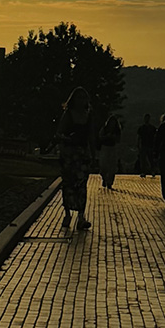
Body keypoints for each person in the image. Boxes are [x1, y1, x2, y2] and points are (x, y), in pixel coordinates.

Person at [58, 87, 96, 231]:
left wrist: (93, 154)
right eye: (78, 97)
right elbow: (60, 132)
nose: (81, 100)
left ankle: (81, 216)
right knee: (68, 184)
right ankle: (67, 213)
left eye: (83, 97)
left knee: (81, 185)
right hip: (69, 153)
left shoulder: (89, 115)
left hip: (82, 153)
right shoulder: (68, 114)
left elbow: (91, 136)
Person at [96, 115, 121, 190]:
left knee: (112, 167)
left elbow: (119, 140)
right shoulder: (104, 129)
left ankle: (110, 182)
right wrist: (107, 136)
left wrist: (114, 137)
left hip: (112, 148)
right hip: (105, 147)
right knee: (103, 165)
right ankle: (104, 178)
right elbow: (100, 137)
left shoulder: (117, 130)